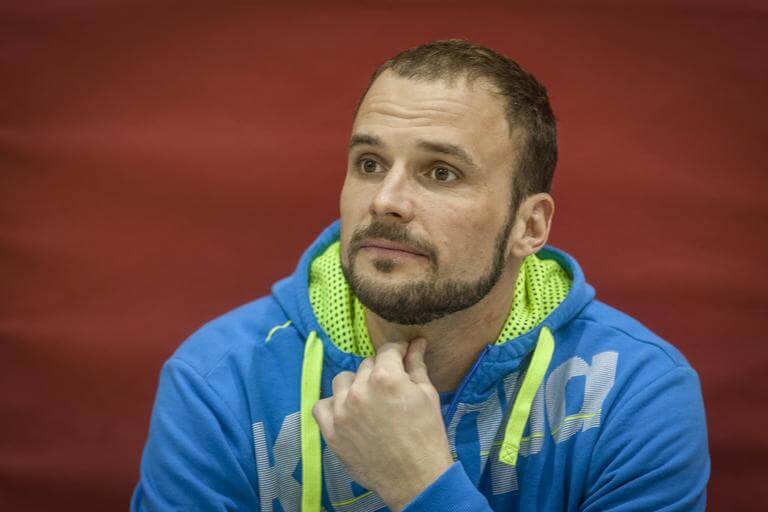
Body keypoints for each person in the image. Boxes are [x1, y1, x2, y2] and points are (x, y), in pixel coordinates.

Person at [131, 39, 710, 511]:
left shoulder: (635, 392)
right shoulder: (219, 380)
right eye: (369, 163)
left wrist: (423, 486)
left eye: (441, 172)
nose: (385, 200)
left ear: (529, 225)